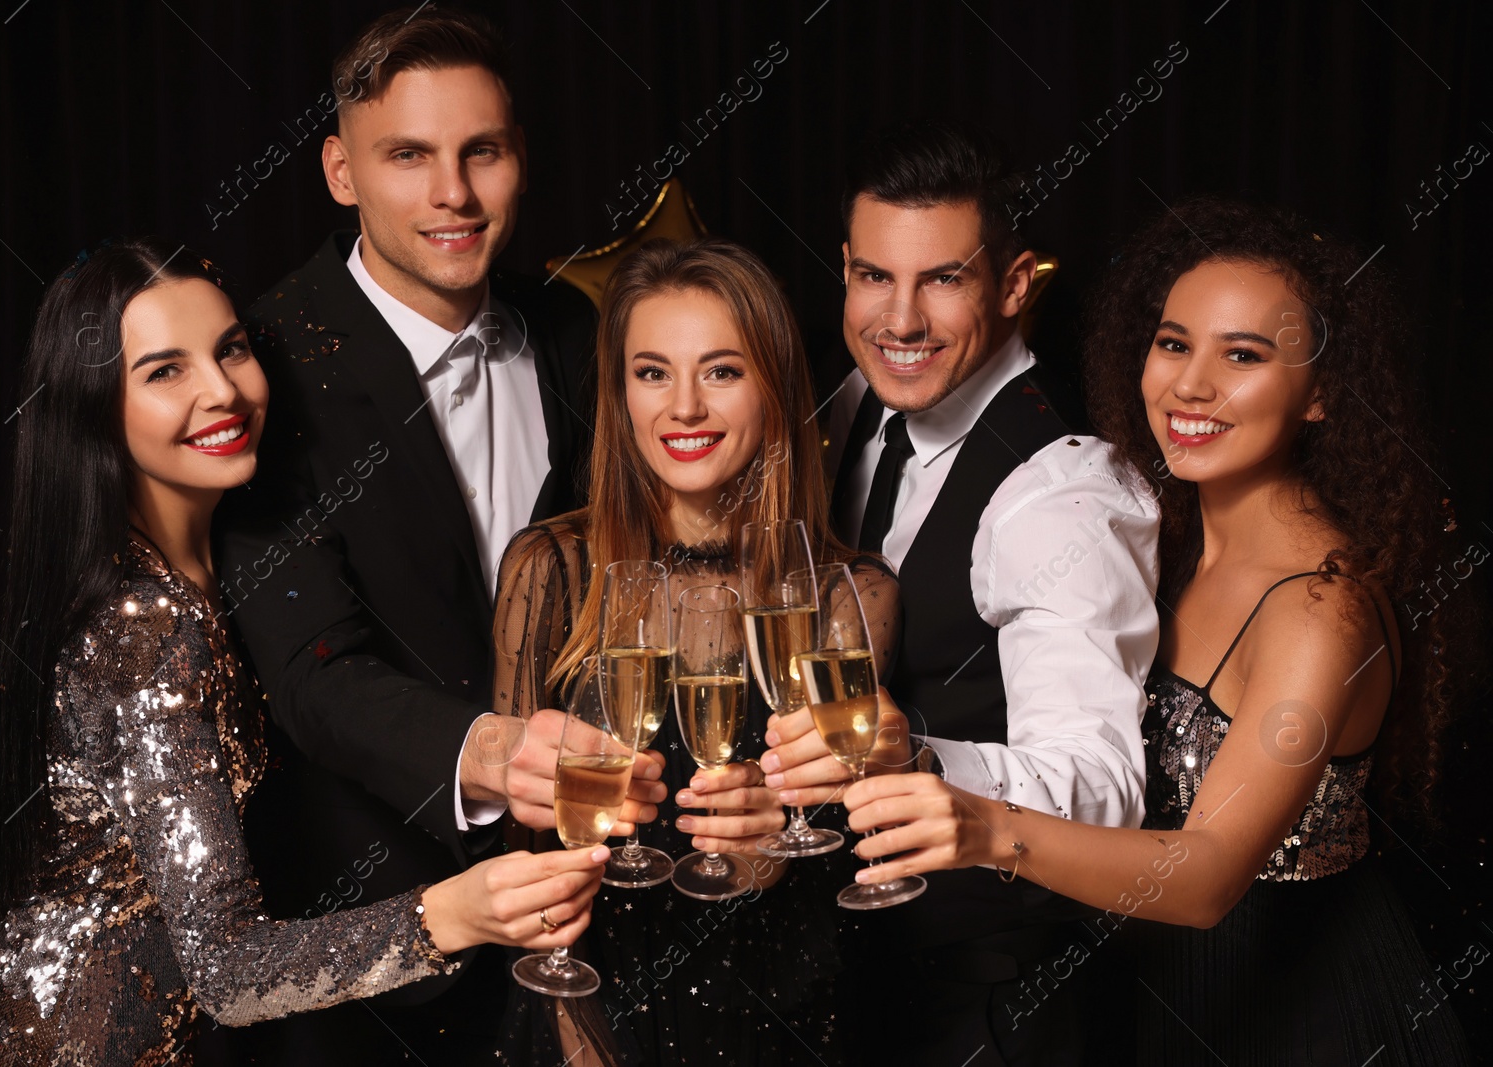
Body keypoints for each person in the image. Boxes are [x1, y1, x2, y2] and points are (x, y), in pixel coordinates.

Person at [0, 240, 609, 1066]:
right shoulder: (140, 630)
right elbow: (225, 969)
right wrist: (454, 913)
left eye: (232, 349)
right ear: (93, 408)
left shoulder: (226, 567)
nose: (222, 391)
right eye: (165, 371)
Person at [841, 197, 1473, 1063]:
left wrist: (988, 828)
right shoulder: (1165, 542)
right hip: (1156, 1004)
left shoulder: (1322, 609)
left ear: (1323, 391)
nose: (1190, 385)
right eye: (1174, 343)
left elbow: (1210, 873)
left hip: (1303, 1023)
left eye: (1242, 355)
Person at [213, 9, 663, 1059]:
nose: (452, 194)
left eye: (481, 153)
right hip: (378, 953)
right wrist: (492, 751)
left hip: (592, 925)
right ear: (340, 170)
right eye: (408, 156)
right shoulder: (261, 369)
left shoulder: (577, 332)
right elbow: (312, 671)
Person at [761, 119, 1161, 1063]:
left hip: (984, 1004)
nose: (900, 322)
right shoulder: (844, 401)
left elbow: (1105, 790)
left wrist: (926, 762)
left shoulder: (1061, 490)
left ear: (1014, 283)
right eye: (874, 277)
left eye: (943, 279)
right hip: (835, 979)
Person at [491, 238, 901, 1065]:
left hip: (783, 1017)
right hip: (588, 1014)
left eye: (721, 370)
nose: (683, 407)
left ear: (775, 389)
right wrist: (582, 1046)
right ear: (618, 393)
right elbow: (524, 858)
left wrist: (767, 850)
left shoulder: (847, 592)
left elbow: (835, 853)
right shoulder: (553, 570)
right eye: (651, 372)